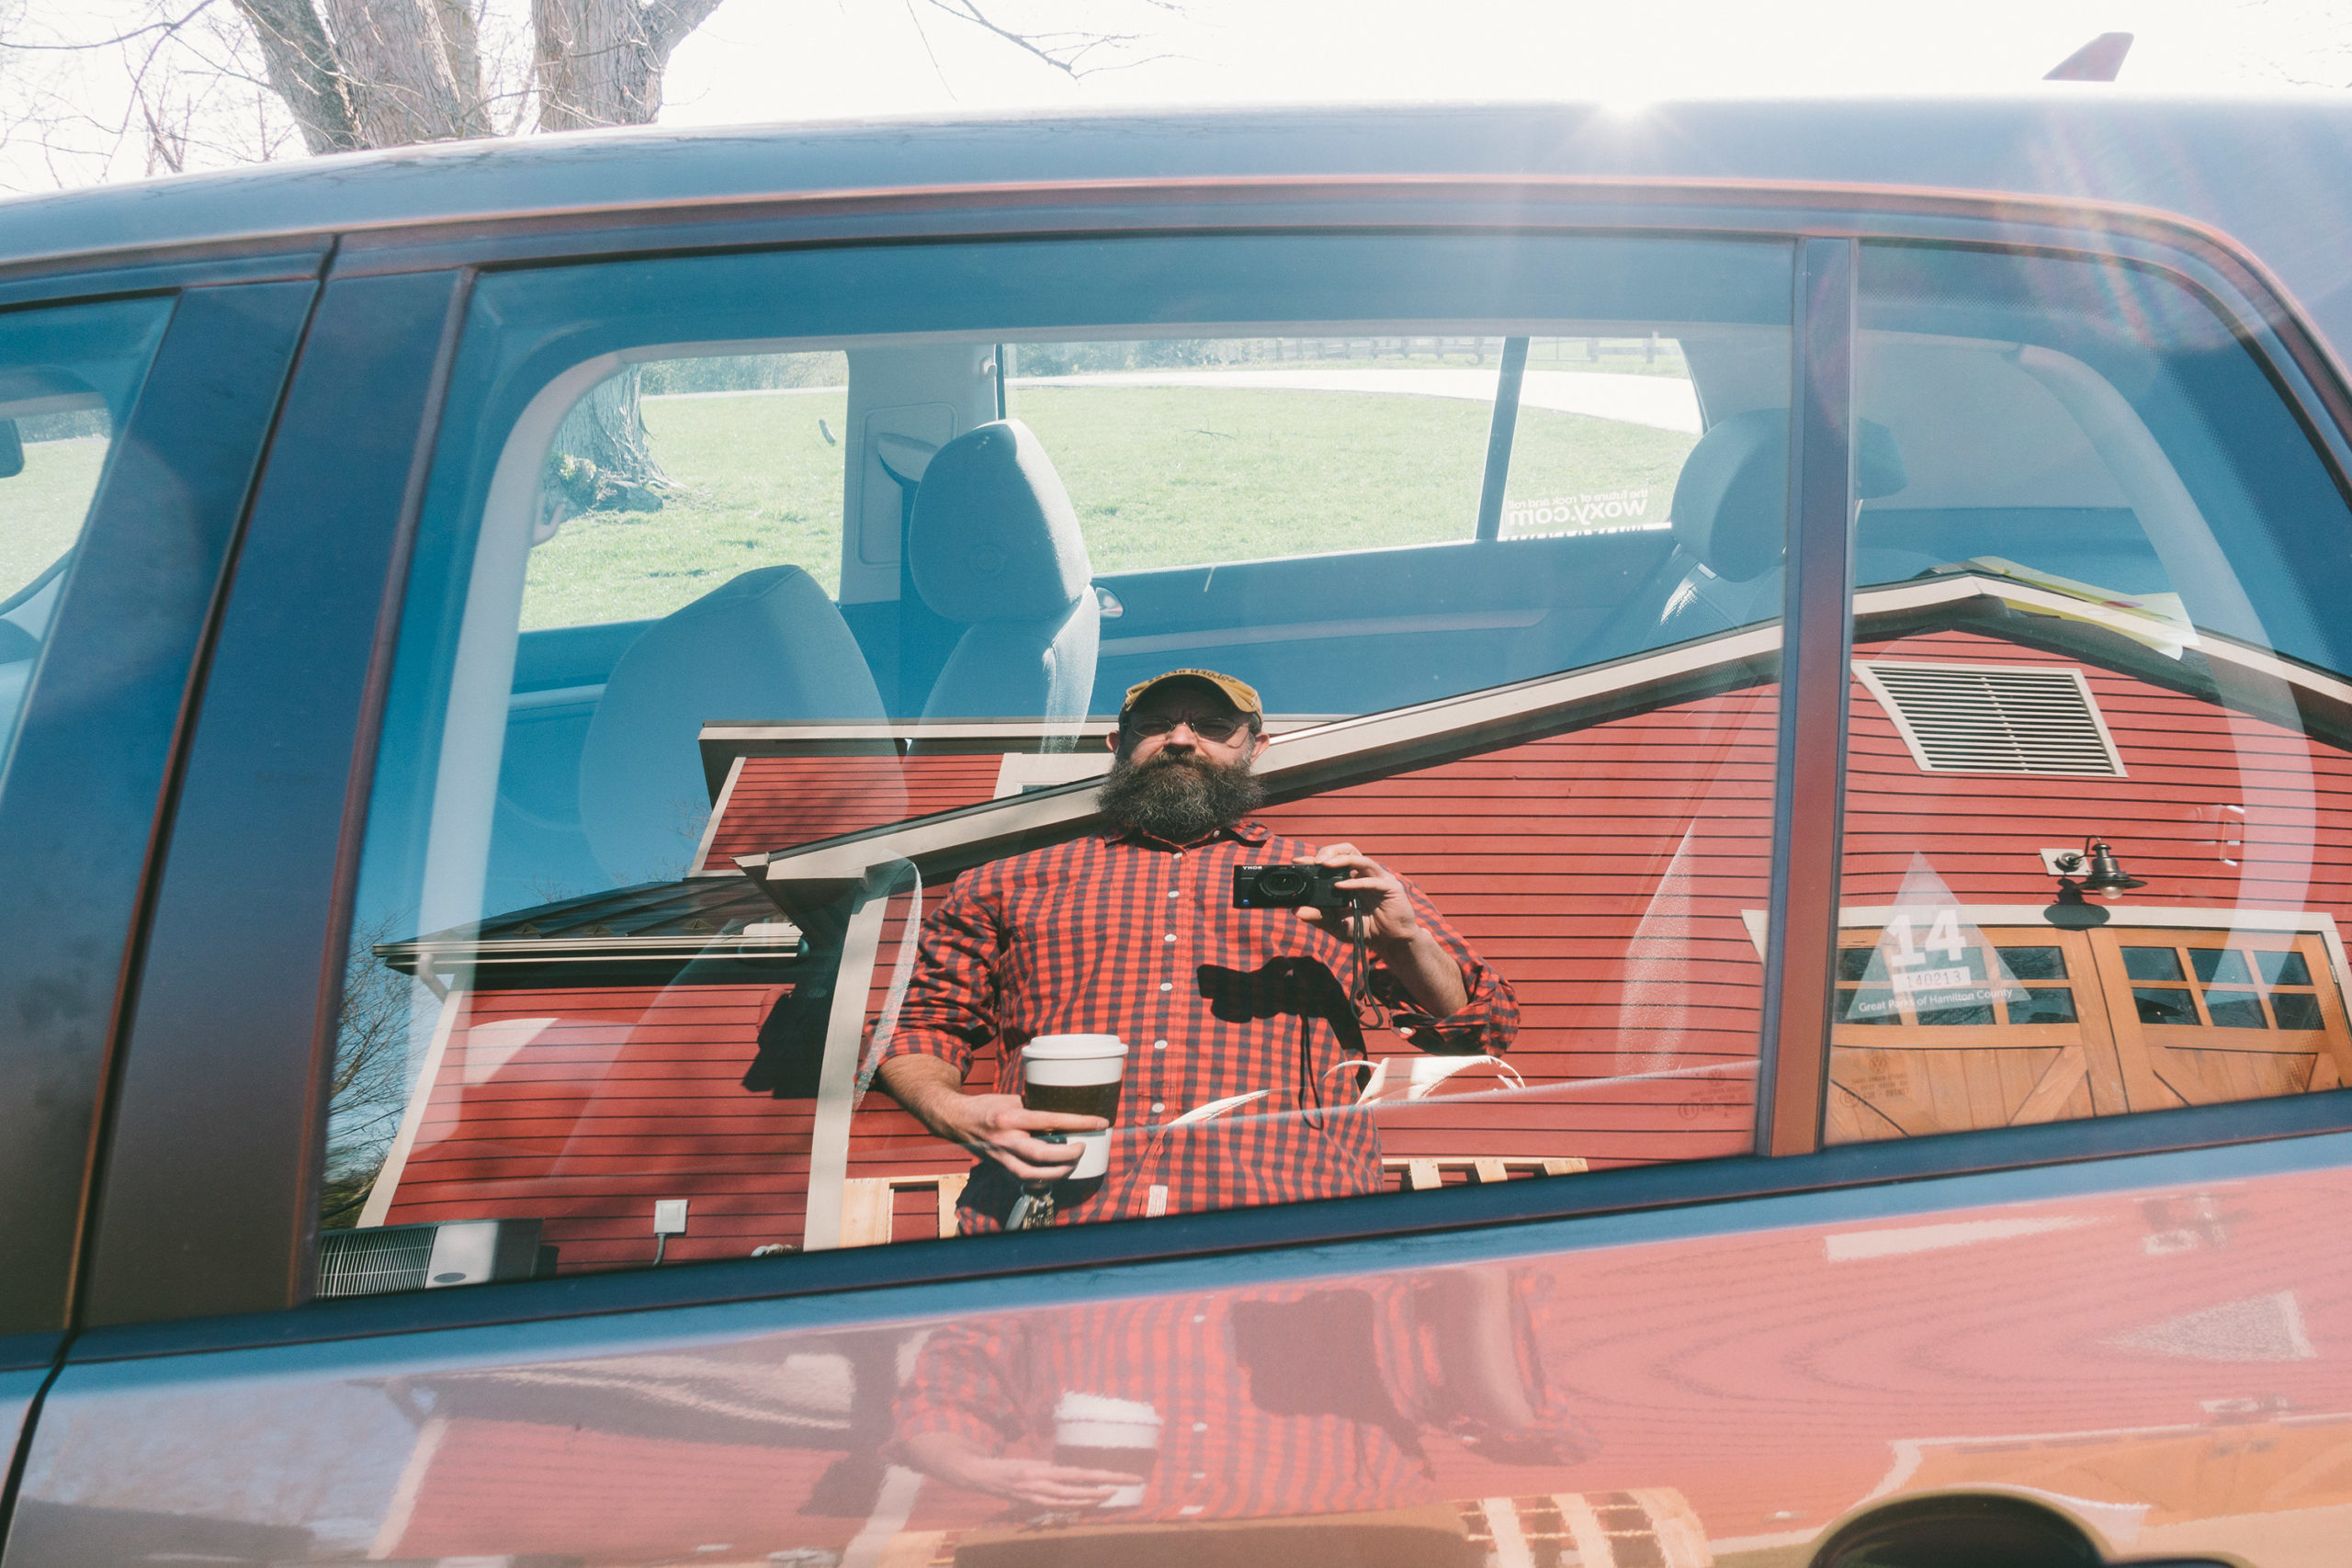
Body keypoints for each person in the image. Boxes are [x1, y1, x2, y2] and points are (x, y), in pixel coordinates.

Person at [873, 668, 1517, 1233]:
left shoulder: (1339, 880)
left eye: (1213, 726)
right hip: (1056, 1226)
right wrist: (953, 1109)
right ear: (1115, 746)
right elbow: (920, 1026)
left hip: (1289, 1228)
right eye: (1154, 724)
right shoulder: (1008, 881)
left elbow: (1481, 1026)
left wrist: (1403, 941)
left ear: (1255, 748)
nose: (1181, 739)